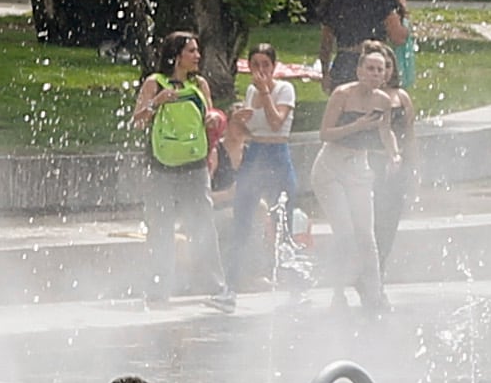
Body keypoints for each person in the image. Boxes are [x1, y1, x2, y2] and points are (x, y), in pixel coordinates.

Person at [129, 32, 235, 310]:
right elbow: (138, 121)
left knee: (204, 227)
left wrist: (214, 130)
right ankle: (157, 290)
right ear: (176, 55)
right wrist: (157, 102)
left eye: (197, 50)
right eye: (191, 51)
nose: (197, 56)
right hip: (161, 168)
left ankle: (218, 288)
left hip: (195, 165)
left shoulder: (200, 84)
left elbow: (209, 122)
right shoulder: (155, 83)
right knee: (160, 229)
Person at [312, 43, 404, 314]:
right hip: (331, 166)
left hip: (359, 167)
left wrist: (394, 155)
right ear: (359, 70)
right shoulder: (342, 94)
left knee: (366, 235)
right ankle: (338, 292)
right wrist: (357, 125)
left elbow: (386, 132)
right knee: (345, 232)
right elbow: (325, 133)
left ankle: (374, 295)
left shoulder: (384, 101)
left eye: (380, 70)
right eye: (370, 68)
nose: (375, 74)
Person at [226, 41, 300, 287]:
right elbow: (252, 128)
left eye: (265, 65)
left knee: (283, 220)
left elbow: (276, 122)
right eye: (255, 65)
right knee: (243, 218)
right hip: (256, 152)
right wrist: (237, 121)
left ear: (273, 66)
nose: (260, 70)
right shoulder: (250, 92)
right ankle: (233, 282)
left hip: (277, 153)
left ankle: (291, 281)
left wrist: (265, 92)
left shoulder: (285, 89)